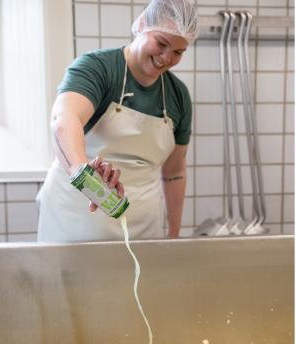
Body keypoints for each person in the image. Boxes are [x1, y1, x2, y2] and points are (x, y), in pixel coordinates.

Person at [37, 0, 198, 242]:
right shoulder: (97, 68)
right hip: (75, 217)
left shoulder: (178, 95)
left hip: (142, 225)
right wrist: (87, 180)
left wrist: (174, 234)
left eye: (178, 52)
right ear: (142, 24)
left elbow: (174, 171)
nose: (166, 58)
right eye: (161, 43)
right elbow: (64, 120)